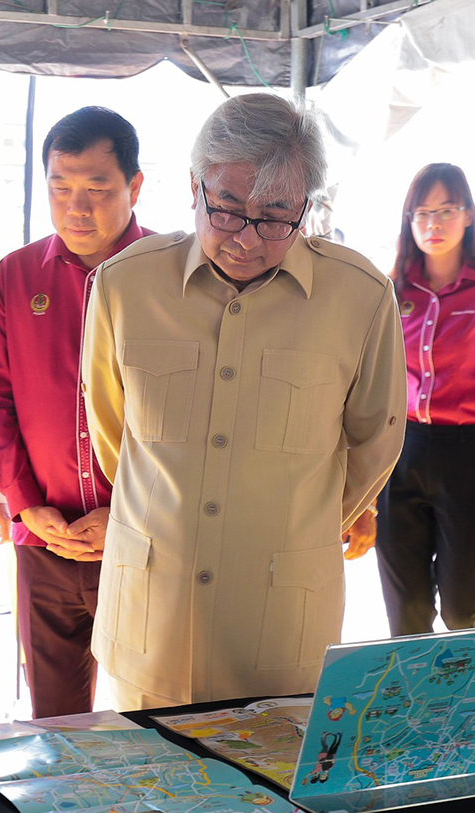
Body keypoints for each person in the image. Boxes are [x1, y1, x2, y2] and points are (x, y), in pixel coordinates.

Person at [81, 93, 406, 710]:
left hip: (280, 624)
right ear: (194, 189)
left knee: (278, 800)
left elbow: (376, 440)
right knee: (143, 801)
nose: (246, 240)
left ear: (306, 207)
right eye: (226, 210)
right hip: (154, 622)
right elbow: (112, 434)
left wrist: (286, 525)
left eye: (276, 217)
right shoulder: (125, 285)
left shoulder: (360, 297)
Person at [0, 107, 152, 720]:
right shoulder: (15, 276)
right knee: (56, 723)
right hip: (44, 539)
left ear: (134, 187)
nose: (77, 206)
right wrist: (24, 502)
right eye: (60, 186)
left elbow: (195, 426)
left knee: (150, 715)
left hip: (147, 543)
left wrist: (130, 514)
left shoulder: (172, 278)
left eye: (98, 189)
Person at [375, 163, 475, 636]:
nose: (433, 225)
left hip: (467, 451)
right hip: (402, 448)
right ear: (408, 219)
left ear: (468, 215)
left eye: (447, 210)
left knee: (463, 608)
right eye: (423, 212)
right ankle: (414, 707)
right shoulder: (391, 291)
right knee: (405, 609)